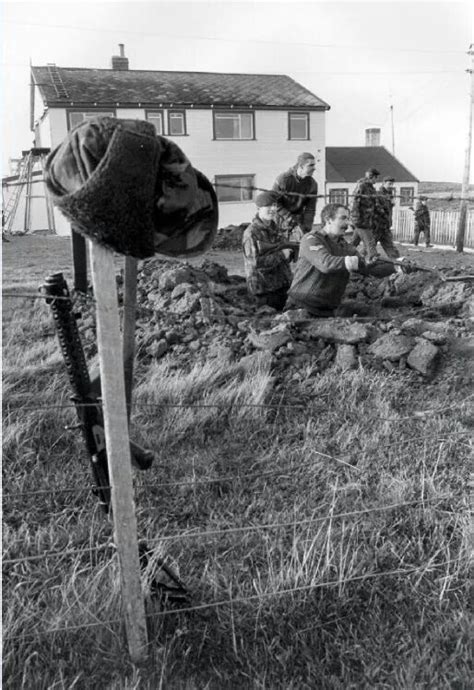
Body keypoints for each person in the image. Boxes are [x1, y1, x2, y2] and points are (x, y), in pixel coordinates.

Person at [284, 202, 415, 317]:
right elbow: (325, 263)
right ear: (328, 219)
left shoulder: (345, 247)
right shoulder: (311, 239)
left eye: (348, 218)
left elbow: (370, 267)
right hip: (300, 307)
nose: (348, 224)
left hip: (327, 309)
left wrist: (397, 265)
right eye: (343, 218)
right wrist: (355, 262)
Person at [242, 191, 295, 311]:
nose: (273, 209)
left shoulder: (275, 228)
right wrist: (282, 254)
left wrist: (292, 253)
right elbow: (256, 263)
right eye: (268, 206)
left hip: (282, 286)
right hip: (265, 291)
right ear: (258, 208)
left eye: (275, 205)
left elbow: (282, 251)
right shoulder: (251, 234)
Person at [272, 152, 318, 239]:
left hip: (299, 221)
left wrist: (306, 228)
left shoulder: (312, 184)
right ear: (301, 166)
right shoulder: (283, 180)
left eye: (314, 165)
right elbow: (275, 202)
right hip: (280, 219)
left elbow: (310, 209)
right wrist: (289, 219)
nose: (314, 168)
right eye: (311, 165)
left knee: (300, 248)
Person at [350, 167, 380, 259]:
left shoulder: (371, 188)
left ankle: (345, 255)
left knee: (353, 243)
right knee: (370, 243)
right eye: (376, 178)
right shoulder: (362, 186)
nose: (377, 180)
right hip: (361, 220)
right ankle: (373, 260)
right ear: (373, 177)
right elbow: (354, 202)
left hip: (367, 220)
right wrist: (356, 220)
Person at [373, 176, 400, 258]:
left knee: (390, 246)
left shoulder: (389, 195)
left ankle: (398, 264)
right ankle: (356, 261)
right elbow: (377, 209)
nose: (391, 186)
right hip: (377, 226)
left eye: (392, 184)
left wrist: (392, 204)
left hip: (385, 226)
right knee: (369, 247)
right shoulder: (379, 194)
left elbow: (388, 210)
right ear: (383, 183)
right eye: (389, 184)